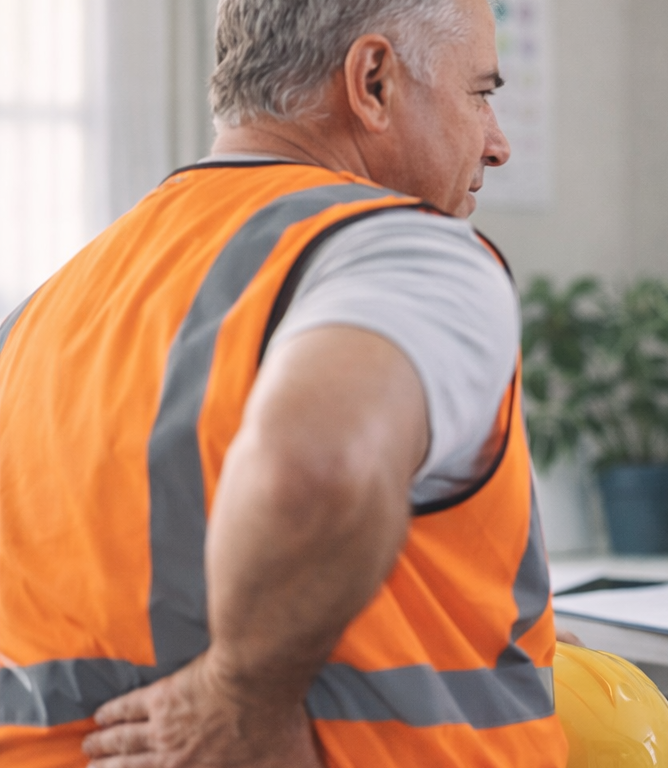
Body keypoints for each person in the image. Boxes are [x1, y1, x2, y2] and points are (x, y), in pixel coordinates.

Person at [0, 0, 568, 765]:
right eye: (480, 94)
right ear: (373, 81)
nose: (496, 144)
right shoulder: (401, 251)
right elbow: (316, 469)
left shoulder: (46, 307)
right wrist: (239, 697)